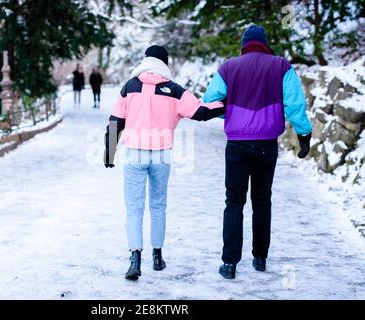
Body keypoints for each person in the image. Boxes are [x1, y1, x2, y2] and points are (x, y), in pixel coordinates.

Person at [104, 45, 226, 281]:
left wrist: (109, 152)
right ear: (164, 63)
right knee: (158, 205)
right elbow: (200, 112)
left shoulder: (130, 87)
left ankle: (135, 259)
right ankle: (158, 257)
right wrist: (226, 104)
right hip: (160, 154)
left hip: (134, 154)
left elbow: (115, 120)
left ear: (145, 61)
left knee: (134, 208)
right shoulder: (174, 90)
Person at [203, 25, 312, 279]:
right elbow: (295, 104)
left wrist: (227, 108)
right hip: (266, 144)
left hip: (237, 144)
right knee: (262, 201)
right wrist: (304, 135)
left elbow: (210, 100)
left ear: (244, 44)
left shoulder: (228, 67)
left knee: (234, 201)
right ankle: (260, 258)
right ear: (264, 43)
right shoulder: (281, 66)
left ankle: (229, 263)